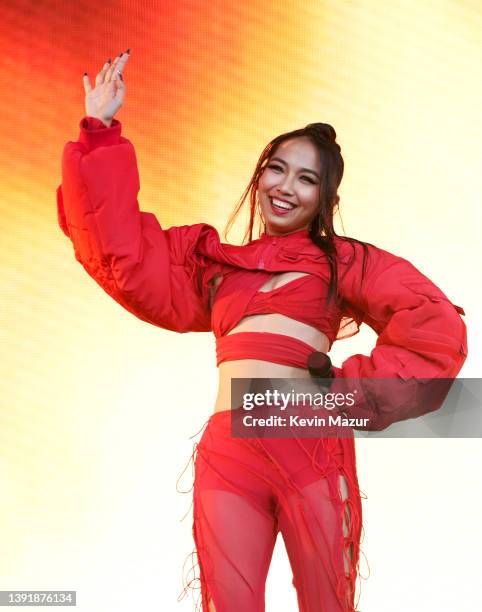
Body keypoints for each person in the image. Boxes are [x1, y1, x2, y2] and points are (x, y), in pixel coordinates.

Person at [56, 51, 468, 612]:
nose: (285, 187)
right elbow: (122, 256)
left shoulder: (346, 262)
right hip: (229, 453)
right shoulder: (215, 265)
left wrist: (347, 396)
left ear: (327, 199)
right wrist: (100, 133)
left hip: (311, 447)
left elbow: (434, 329)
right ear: (259, 173)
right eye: (277, 168)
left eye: (307, 179)